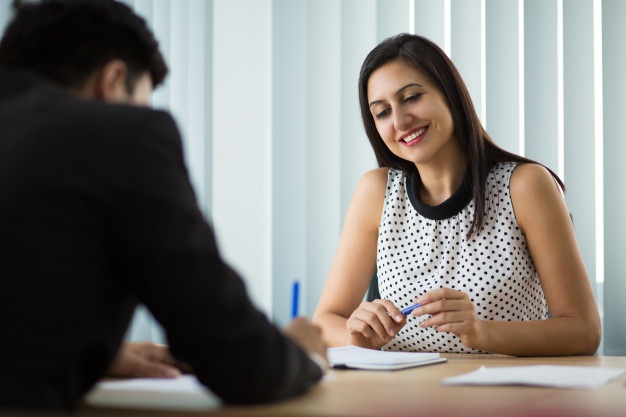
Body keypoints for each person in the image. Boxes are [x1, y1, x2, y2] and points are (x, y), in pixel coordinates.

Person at [0, 0, 326, 411]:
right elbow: (240, 362)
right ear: (114, 81)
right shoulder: (118, 136)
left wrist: (95, 358)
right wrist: (301, 352)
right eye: (142, 99)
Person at [312, 33, 601, 356]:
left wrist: (482, 331)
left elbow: (583, 331)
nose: (400, 121)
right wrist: (355, 336)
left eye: (411, 97)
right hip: (399, 397)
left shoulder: (526, 186)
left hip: (503, 399)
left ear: (449, 94)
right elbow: (324, 321)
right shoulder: (376, 192)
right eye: (382, 112)